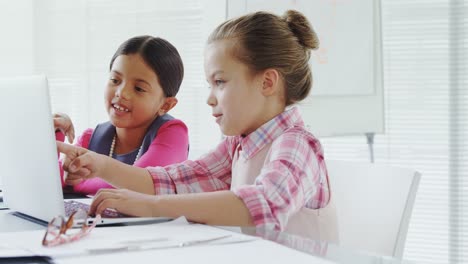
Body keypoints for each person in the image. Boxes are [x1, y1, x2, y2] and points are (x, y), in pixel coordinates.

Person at [58, 10, 338, 241]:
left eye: (220, 82)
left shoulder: (298, 143)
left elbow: (264, 205)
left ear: (267, 82)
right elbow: (172, 182)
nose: (209, 98)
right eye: (209, 84)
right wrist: (99, 164)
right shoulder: (236, 147)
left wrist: (148, 206)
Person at [55, 35, 189, 195]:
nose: (121, 93)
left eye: (139, 88)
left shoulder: (173, 133)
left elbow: (146, 184)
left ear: (165, 105)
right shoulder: (90, 138)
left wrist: (77, 183)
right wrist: (55, 132)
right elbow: (50, 180)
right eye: (115, 80)